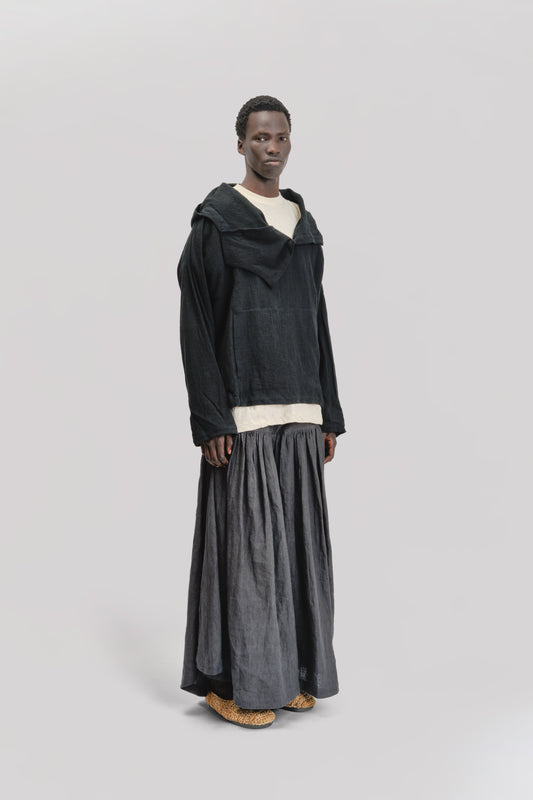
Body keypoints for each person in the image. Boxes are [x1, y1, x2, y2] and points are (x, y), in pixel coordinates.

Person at [177, 95, 346, 729]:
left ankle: (291, 672)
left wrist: (329, 409)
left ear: (290, 143)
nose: (270, 147)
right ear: (240, 144)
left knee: (297, 556)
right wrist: (210, 418)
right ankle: (232, 683)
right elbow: (196, 322)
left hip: (300, 404)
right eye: (259, 137)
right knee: (249, 557)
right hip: (243, 413)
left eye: (280, 137)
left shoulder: (304, 225)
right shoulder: (216, 223)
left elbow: (317, 318)